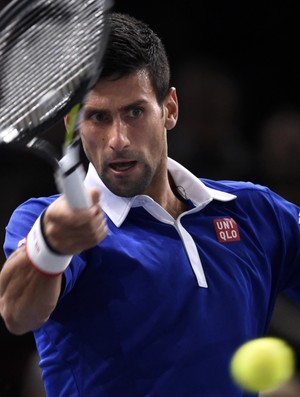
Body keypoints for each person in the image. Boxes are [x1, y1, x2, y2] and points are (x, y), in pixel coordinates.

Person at [0, 11, 299, 397]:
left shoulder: (255, 212)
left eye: (134, 112)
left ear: (170, 109)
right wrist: (50, 246)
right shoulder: (42, 221)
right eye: (98, 117)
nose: (118, 139)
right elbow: (17, 312)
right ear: (74, 123)